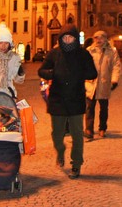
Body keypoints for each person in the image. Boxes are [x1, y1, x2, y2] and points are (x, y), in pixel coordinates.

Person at [38, 24, 97, 179]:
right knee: (57, 133)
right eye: (65, 37)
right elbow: (41, 70)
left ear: (76, 39)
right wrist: (52, 73)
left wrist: (79, 74)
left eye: (70, 37)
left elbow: (93, 72)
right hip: (57, 99)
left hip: (76, 98)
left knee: (77, 134)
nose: (68, 40)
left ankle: (76, 164)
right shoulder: (54, 53)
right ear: (61, 38)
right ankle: (60, 151)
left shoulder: (83, 54)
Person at [84, 30, 121, 141]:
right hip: (90, 84)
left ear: (105, 39)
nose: (98, 40)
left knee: (104, 108)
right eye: (96, 37)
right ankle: (89, 130)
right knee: (89, 107)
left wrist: (114, 80)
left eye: (100, 37)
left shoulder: (112, 51)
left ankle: (102, 128)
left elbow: (116, 66)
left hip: (104, 83)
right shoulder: (89, 51)